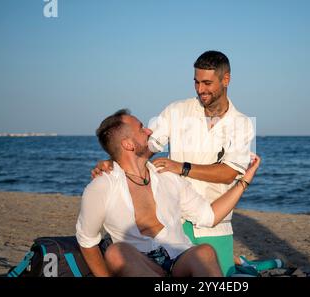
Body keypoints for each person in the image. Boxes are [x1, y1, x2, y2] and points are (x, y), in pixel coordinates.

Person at [92, 51, 255, 276]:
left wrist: (181, 167)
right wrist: (112, 163)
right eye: (196, 82)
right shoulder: (177, 110)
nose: (200, 90)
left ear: (225, 80)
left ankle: (240, 263)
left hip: (215, 223)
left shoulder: (243, 123)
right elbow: (144, 147)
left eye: (207, 83)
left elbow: (229, 173)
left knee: (223, 276)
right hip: (175, 222)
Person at [78, 109, 260, 277]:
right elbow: (87, 241)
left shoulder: (167, 176)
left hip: (178, 258)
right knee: (116, 253)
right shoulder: (102, 186)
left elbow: (209, 216)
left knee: (205, 251)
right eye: (141, 129)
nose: (149, 131)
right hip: (140, 264)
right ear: (128, 144)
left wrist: (244, 180)